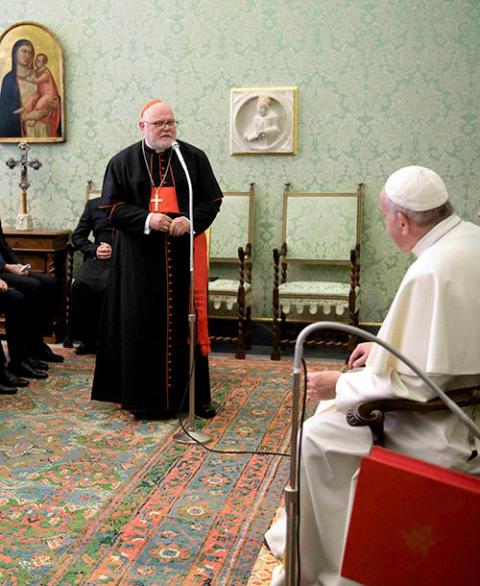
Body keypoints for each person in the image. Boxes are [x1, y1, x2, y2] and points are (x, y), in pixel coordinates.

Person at [265, 166, 480, 586]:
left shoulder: (432, 269)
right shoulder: (468, 238)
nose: (387, 227)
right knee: (328, 419)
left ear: (402, 221)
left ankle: (326, 569)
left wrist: (338, 384)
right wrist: (384, 344)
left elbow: (417, 385)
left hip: (439, 426)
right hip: (467, 401)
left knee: (316, 437)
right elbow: (438, 335)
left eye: (386, 218)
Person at [91, 99, 223, 419]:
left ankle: (193, 397)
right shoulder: (122, 161)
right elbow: (110, 208)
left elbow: (212, 200)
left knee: (184, 325)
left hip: (182, 259)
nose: (166, 129)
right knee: (140, 326)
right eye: (159, 124)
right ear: (142, 127)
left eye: (171, 122)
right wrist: (147, 220)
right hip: (138, 261)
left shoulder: (192, 157)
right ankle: (142, 400)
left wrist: (190, 221)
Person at [0, 219, 64, 370]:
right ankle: (23, 354)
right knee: (32, 286)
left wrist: (19, 264)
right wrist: (7, 267)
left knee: (50, 282)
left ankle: (37, 345)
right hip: (2, 271)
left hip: (6, 268)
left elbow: (4, 246)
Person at [70, 196, 113, 354]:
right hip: (96, 257)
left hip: (122, 258)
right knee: (80, 284)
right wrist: (94, 249)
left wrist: (115, 250)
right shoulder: (93, 205)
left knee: (108, 286)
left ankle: (108, 339)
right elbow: (77, 236)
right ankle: (87, 339)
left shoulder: (131, 204)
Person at [0, 39, 60, 139]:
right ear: (15, 53)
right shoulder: (9, 80)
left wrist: (56, 105)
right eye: (24, 51)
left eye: (30, 53)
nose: (27, 55)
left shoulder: (39, 75)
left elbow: (50, 93)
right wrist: (28, 117)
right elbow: (4, 114)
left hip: (45, 130)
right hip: (22, 133)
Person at [21, 53, 61, 137]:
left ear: (43, 63)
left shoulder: (45, 73)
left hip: (48, 94)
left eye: (38, 61)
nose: (36, 62)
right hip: (40, 93)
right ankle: (28, 115)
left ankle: (32, 119)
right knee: (31, 99)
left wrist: (27, 79)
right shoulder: (36, 71)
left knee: (40, 103)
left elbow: (37, 81)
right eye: (36, 60)